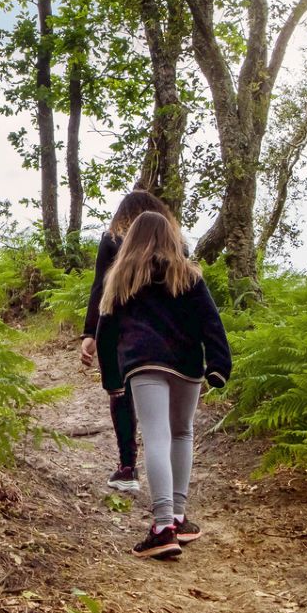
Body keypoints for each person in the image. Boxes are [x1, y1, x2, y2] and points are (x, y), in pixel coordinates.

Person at [96, 210, 232, 560]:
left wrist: (112, 378)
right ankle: (178, 516)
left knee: (156, 435)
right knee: (181, 433)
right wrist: (218, 365)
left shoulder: (123, 277)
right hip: (187, 366)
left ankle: (162, 527)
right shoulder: (188, 276)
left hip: (145, 364)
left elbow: (106, 332)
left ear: (133, 240)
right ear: (172, 238)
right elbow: (211, 322)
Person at [81, 190, 180, 491]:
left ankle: (127, 468)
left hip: (123, 332)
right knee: (163, 408)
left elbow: (101, 288)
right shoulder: (174, 244)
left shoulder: (112, 240)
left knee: (119, 393)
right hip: (168, 337)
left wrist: (90, 334)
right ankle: (170, 482)